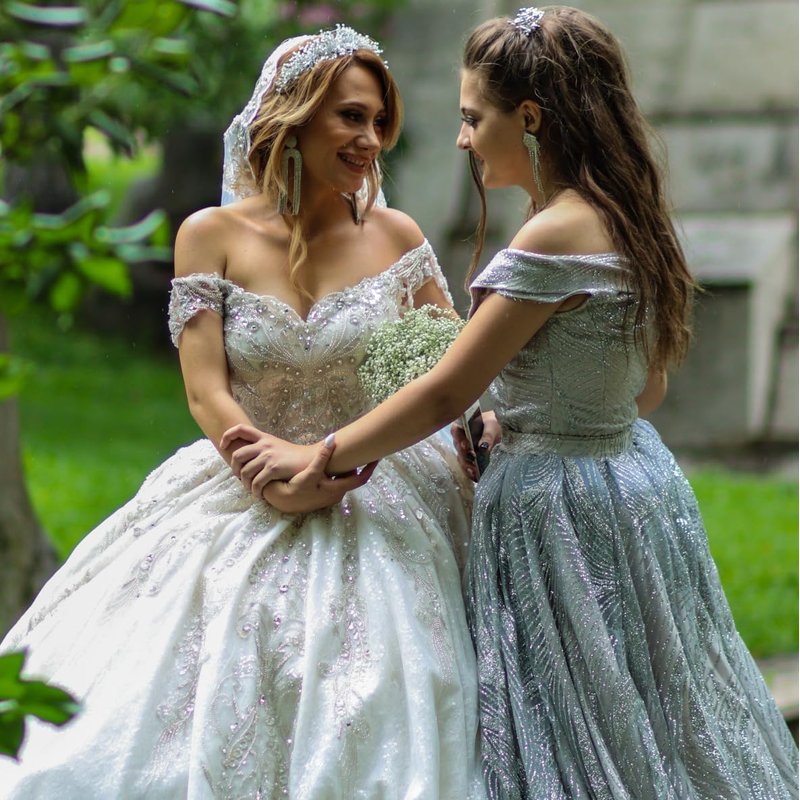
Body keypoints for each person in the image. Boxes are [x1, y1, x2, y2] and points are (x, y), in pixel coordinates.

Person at [224, 8, 799, 798]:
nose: (463, 139)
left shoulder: (549, 237)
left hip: (558, 505)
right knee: (655, 714)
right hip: (640, 486)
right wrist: (521, 417)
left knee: (576, 727)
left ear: (528, 118)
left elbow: (446, 389)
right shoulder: (627, 215)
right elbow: (647, 389)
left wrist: (317, 454)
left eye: (473, 118)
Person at [0, 26, 487, 798]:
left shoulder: (398, 237)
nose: (369, 140)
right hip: (244, 464)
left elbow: (452, 363)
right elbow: (206, 389)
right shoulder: (210, 235)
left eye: (377, 121)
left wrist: (472, 429)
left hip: (377, 483)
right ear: (293, 117)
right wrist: (265, 473)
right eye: (350, 117)